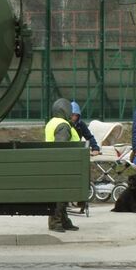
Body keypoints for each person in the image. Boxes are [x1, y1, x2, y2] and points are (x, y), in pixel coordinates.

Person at [44, 97, 79, 232]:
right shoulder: (63, 125)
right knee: (60, 195)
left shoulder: (52, 122)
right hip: (62, 163)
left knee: (62, 194)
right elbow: (62, 146)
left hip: (54, 162)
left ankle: (64, 220)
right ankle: (56, 222)